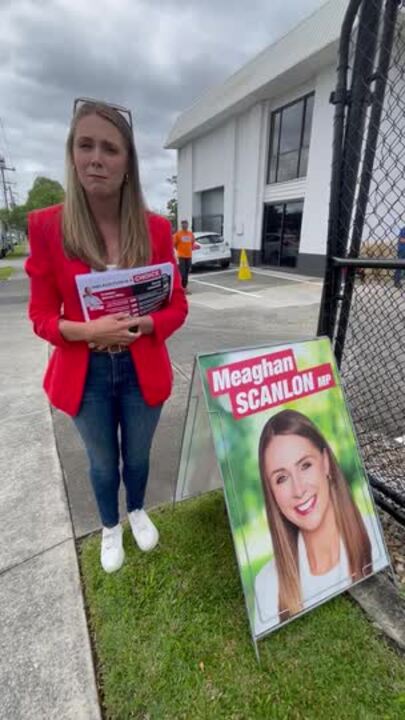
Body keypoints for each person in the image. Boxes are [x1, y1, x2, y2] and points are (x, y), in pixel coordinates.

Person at [25, 98, 188, 574]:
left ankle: (136, 509)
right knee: (101, 462)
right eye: (85, 145)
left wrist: (147, 324)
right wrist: (85, 330)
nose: (96, 157)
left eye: (110, 149)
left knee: (137, 454)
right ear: (72, 154)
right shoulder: (47, 227)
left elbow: (177, 305)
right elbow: (39, 315)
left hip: (142, 366)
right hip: (86, 370)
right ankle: (109, 525)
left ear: (127, 163)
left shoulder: (156, 229)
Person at [254, 409, 385, 635]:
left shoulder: (373, 534)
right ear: (271, 492)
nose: (298, 489)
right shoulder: (267, 583)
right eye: (281, 478)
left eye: (305, 465)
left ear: (325, 463)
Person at [173, 219, 195, 294]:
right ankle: (181, 288)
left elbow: (192, 243)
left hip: (189, 256)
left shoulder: (190, 234)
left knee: (187, 272)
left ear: (188, 225)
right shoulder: (178, 234)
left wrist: (188, 249)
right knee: (182, 273)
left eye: (186, 224)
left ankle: (184, 288)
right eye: (183, 224)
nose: (184, 225)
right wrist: (179, 250)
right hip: (181, 256)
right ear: (181, 225)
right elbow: (174, 244)